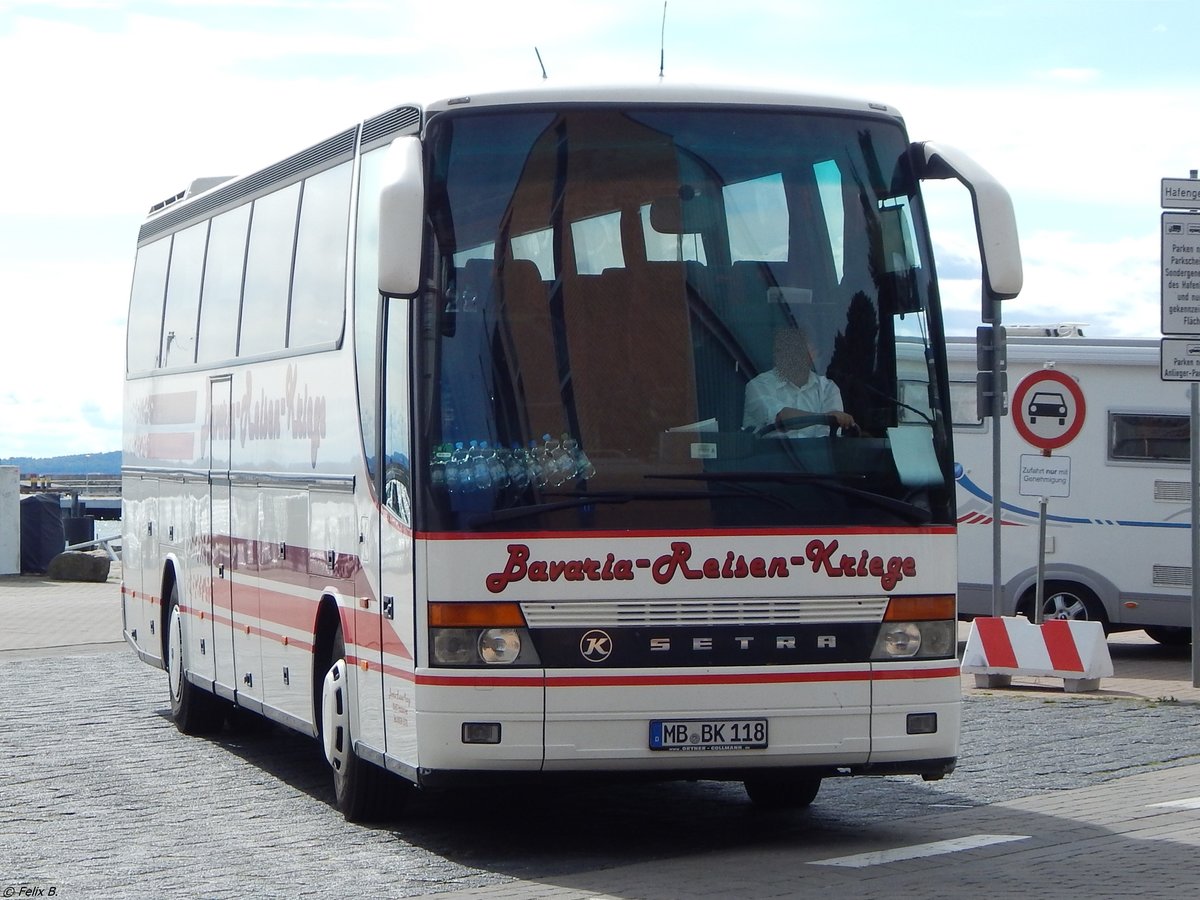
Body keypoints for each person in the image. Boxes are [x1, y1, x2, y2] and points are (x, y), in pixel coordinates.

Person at [742, 327, 856, 437]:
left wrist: (831, 419)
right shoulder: (758, 385)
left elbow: (829, 441)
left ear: (814, 354)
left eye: (802, 349)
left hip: (817, 456)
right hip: (767, 455)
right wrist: (825, 417)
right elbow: (781, 418)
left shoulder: (828, 390)